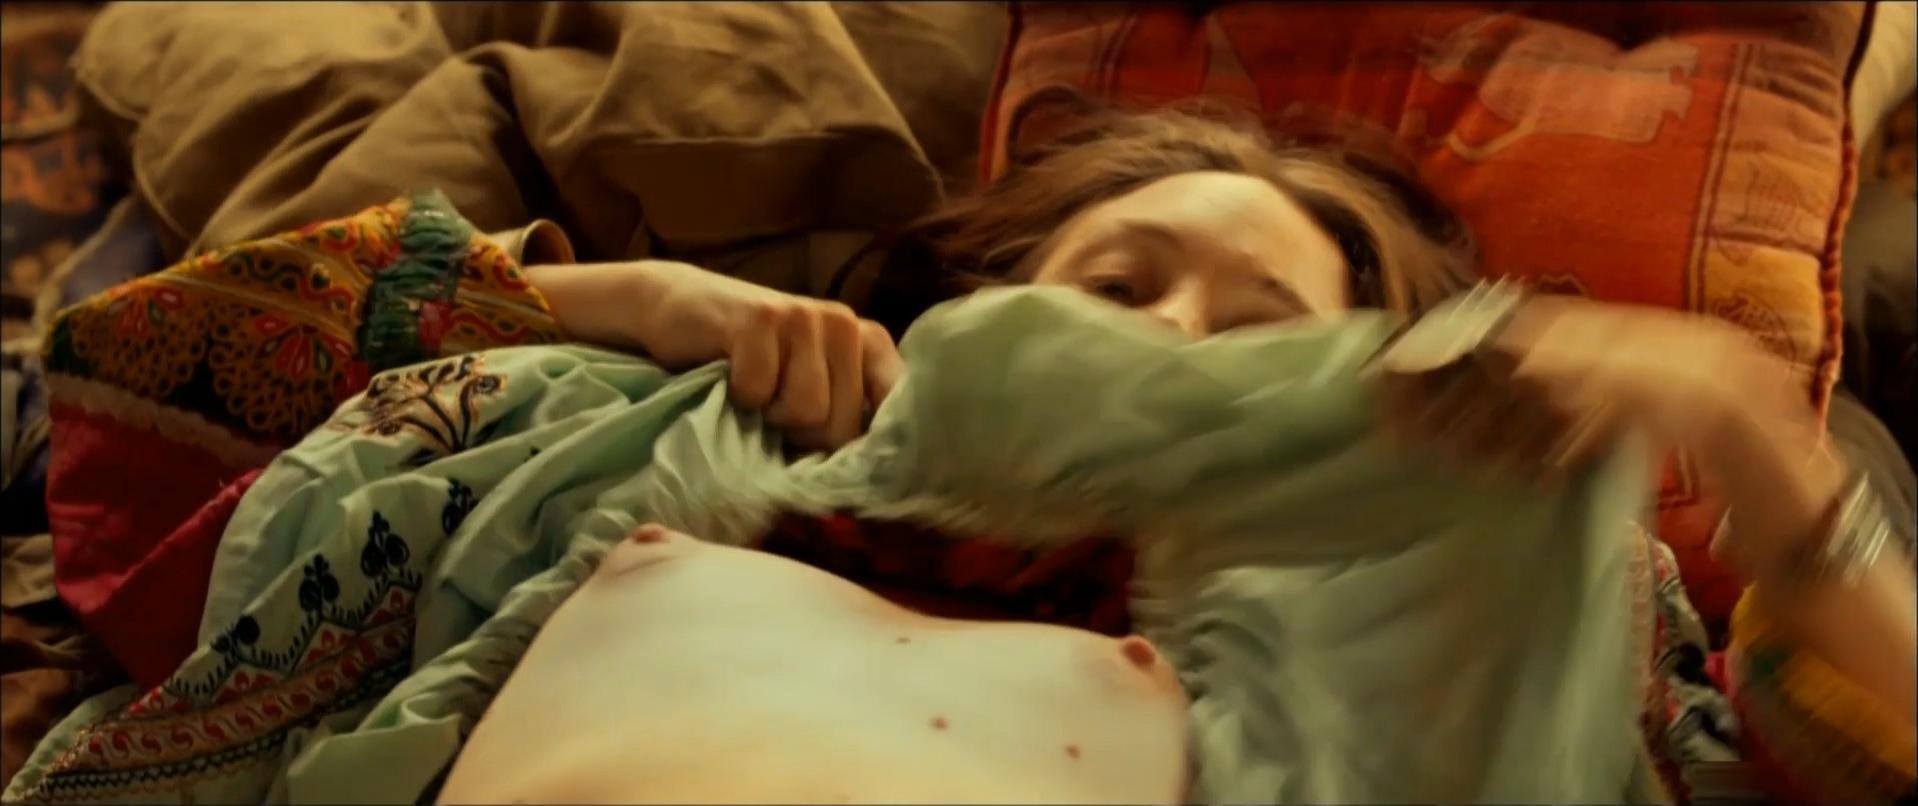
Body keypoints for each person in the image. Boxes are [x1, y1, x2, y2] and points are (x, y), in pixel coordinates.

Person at [33, 107, 1914, 803]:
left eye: (1259, 332)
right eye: (1116, 283)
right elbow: (129, 398)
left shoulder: (1458, 610)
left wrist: (1749, 432)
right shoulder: (641, 428)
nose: (1161, 345)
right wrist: (639, 297)